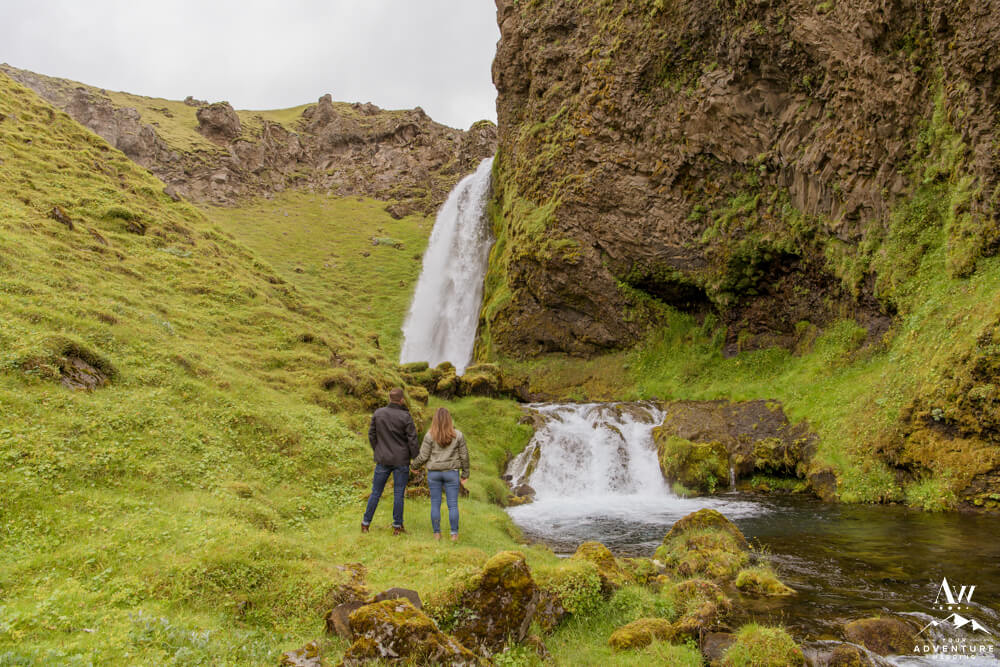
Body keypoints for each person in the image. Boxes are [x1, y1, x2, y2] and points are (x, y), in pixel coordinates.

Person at [362, 388, 419, 535]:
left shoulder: (378, 413)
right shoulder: (405, 416)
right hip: (401, 460)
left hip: (383, 458)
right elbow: (412, 440)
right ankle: (397, 527)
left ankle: (365, 524)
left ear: (389, 398)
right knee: (399, 494)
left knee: (375, 492)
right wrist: (416, 459)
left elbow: (371, 434)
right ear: (401, 400)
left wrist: (378, 449)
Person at [410, 407, 470, 542]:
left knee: (435, 504)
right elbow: (464, 456)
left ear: (435, 420)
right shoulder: (458, 435)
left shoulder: (429, 435)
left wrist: (414, 466)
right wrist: (465, 474)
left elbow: (423, 456)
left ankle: (437, 534)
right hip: (452, 473)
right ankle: (454, 535)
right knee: (453, 505)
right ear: (449, 420)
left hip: (434, 473)